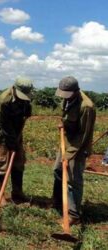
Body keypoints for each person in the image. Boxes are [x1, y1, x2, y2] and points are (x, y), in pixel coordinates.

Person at [52, 76, 96, 225]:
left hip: (78, 147)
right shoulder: (68, 98)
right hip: (66, 141)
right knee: (58, 171)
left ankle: (74, 215)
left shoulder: (86, 107)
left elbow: (82, 135)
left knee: (73, 180)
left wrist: (68, 155)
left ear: (76, 91)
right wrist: (63, 123)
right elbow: (66, 116)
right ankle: (58, 203)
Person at [0, 77, 33, 204]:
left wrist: (27, 112)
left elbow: (26, 112)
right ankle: (0, 195)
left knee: (18, 163)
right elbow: (5, 125)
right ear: (15, 89)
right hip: (2, 134)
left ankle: (17, 193)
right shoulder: (4, 101)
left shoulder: (28, 96)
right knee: (1, 163)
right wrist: (12, 143)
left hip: (17, 131)